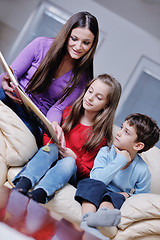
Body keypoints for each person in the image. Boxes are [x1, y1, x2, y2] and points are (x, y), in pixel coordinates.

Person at [12, 74, 122, 205]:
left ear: (106, 106)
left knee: (69, 161)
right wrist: (55, 144)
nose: (90, 98)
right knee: (51, 148)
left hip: (68, 171)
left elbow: (88, 174)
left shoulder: (100, 137)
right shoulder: (69, 112)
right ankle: (23, 185)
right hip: (51, 157)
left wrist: (75, 159)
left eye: (98, 97)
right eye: (90, 91)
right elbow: (49, 134)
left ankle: (39, 194)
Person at [0, 11, 99, 147]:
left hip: (34, 118)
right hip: (12, 98)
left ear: (92, 45)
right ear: (67, 35)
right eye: (74, 39)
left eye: (86, 43)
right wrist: (5, 83)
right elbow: (12, 73)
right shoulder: (41, 45)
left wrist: (54, 124)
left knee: (31, 137)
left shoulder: (83, 79)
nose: (78, 47)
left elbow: (57, 109)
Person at [75, 113, 160, 239]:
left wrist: (127, 195)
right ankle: (87, 222)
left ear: (138, 146)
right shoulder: (105, 152)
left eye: (126, 132)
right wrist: (120, 160)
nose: (119, 133)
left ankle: (102, 217)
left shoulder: (142, 170)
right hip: (96, 188)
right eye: (121, 127)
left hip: (114, 198)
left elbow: (141, 198)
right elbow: (97, 179)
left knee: (113, 197)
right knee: (88, 183)